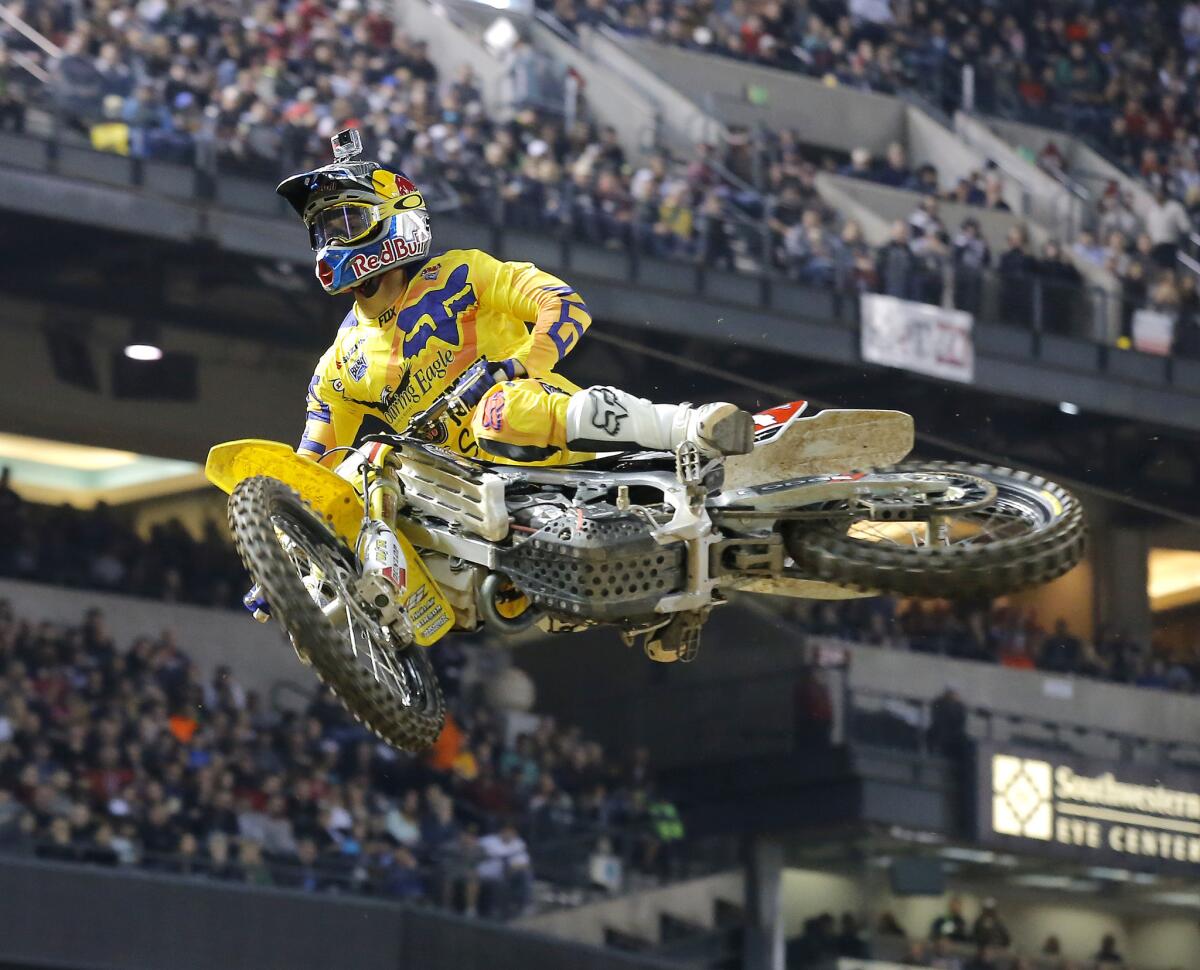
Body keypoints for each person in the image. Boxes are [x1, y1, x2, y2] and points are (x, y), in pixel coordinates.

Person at [245, 128, 754, 618]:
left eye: (347, 223)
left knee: (498, 409)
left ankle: (688, 427)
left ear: (393, 222)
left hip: (538, 435)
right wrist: (281, 557)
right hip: (460, 496)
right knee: (367, 484)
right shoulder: (339, 362)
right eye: (325, 230)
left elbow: (564, 304)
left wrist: (519, 366)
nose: (334, 241)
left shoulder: (461, 274)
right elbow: (312, 465)